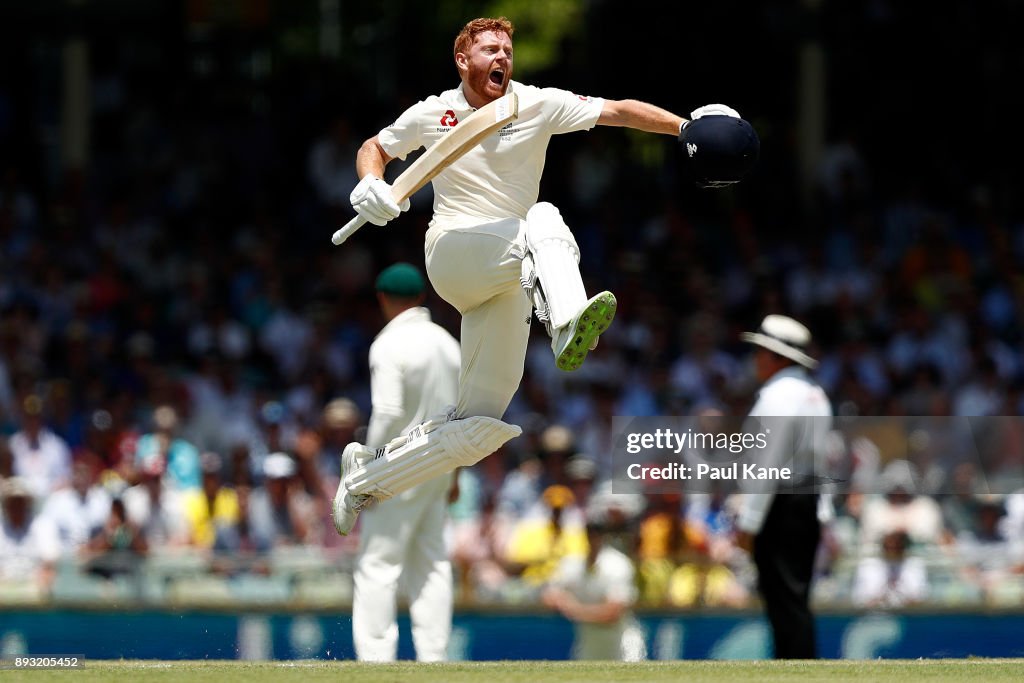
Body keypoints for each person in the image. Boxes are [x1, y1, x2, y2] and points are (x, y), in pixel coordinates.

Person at [333, 15, 755, 534]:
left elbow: (616, 111)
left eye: (507, 50)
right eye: (490, 49)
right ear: (463, 60)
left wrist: (685, 127)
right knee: (541, 218)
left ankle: (363, 479)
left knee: (478, 429)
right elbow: (375, 147)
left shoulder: (535, 102)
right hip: (455, 253)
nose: (502, 58)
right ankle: (566, 322)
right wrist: (370, 183)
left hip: (511, 274)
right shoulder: (432, 111)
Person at [350, 263, 462, 662]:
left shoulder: (388, 344)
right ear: (420, 298)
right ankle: (434, 655)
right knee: (431, 563)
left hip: (398, 470)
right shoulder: (449, 344)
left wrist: (369, 473)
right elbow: (461, 413)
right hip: (440, 464)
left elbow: (387, 411)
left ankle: (376, 658)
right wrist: (456, 473)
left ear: (382, 299)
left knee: (378, 563)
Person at [732, 314, 833, 659]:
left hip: (780, 506)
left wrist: (749, 524)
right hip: (805, 502)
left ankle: (796, 670)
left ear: (778, 357)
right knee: (796, 598)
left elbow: (765, 466)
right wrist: (824, 511)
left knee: (783, 601)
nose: (756, 359)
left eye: (762, 352)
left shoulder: (776, 397)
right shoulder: (816, 395)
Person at [542, 504, 646, 661]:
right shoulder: (572, 564)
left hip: (624, 649)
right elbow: (549, 597)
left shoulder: (619, 565)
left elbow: (612, 613)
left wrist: (572, 608)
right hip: (586, 647)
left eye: (597, 532)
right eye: (590, 532)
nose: (593, 537)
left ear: (604, 535)